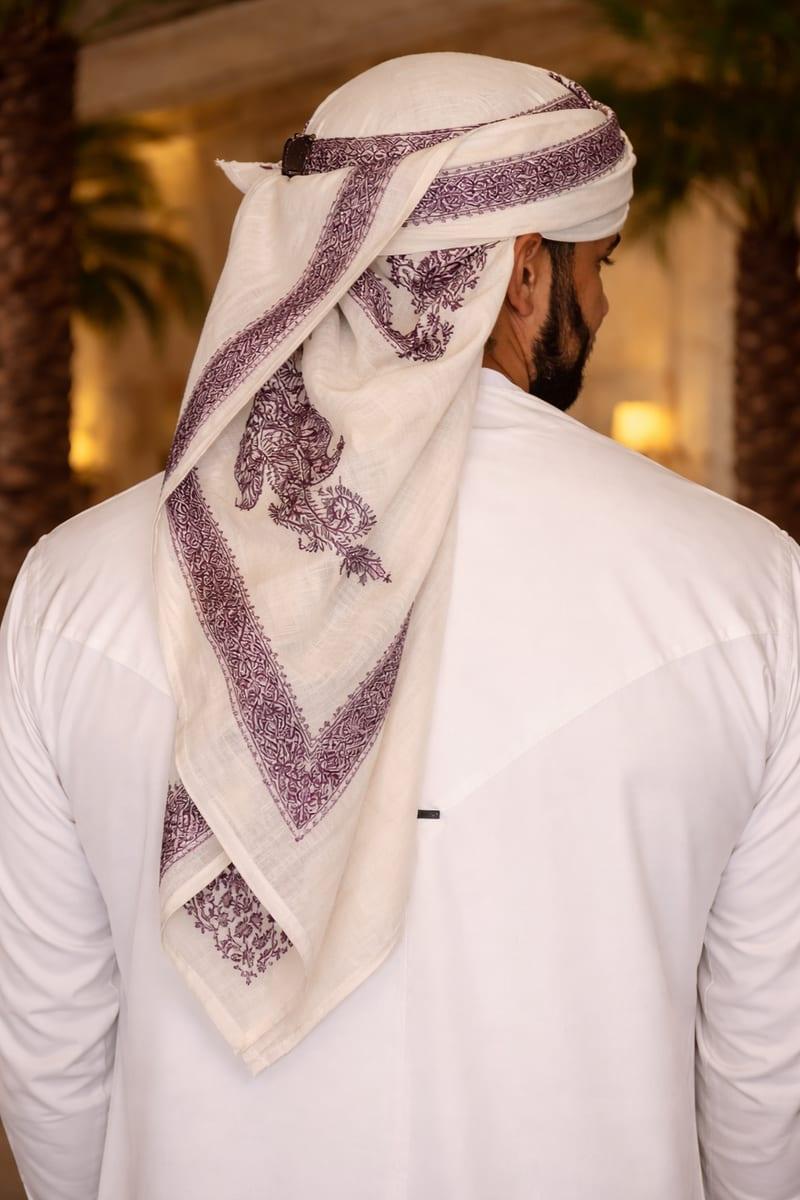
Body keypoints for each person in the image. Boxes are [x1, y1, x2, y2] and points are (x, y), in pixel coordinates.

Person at [0, 51, 798, 1200]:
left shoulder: (73, 587)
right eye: (600, 265)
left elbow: (53, 1055)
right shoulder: (742, 588)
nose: (602, 305)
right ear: (523, 273)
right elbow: (762, 1080)